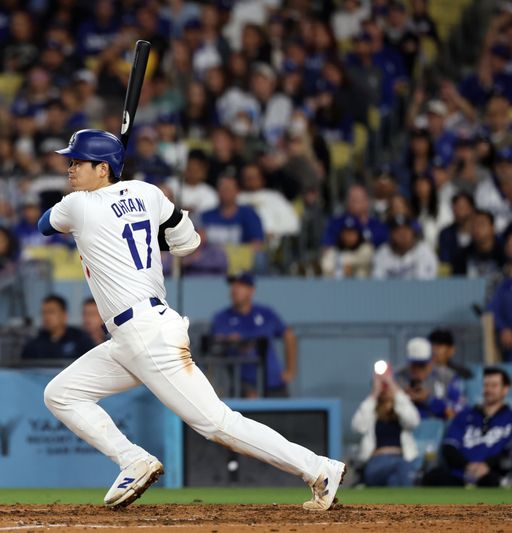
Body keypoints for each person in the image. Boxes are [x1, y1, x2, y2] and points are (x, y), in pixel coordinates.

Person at [38, 129, 345, 510]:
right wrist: (137, 221)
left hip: (145, 334)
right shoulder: (149, 193)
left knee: (217, 423)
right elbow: (189, 243)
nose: (68, 168)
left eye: (76, 162)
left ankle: (316, 468)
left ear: (103, 168)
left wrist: (109, 215)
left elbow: (44, 224)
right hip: (134, 335)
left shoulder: (78, 204)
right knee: (61, 394)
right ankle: (133, 459)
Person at [209, 272, 297, 397]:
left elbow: (289, 335)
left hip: (274, 384)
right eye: (233, 285)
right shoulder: (221, 318)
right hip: (241, 386)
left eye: (240, 285)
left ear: (251, 290)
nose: (235, 289)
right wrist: (230, 342)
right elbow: (215, 346)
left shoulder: (266, 313)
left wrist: (290, 371)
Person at [422, 367, 512, 487]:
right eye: (486, 385)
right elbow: (449, 446)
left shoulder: (509, 418)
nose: (488, 390)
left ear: (505, 390)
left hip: (493, 475)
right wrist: (467, 466)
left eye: (494, 386)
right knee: (433, 477)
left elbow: (508, 453)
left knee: (491, 481)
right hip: (461, 474)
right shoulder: (465, 416)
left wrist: (487, 465)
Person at [351, 361, 420, 486]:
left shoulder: (400, 407)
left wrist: (394, 387)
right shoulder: (371, 409)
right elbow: (358, 427)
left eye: (386, 385)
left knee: (394, 480)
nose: (385, 388)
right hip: (376, 461)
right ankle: (414, 503)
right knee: (404, 467)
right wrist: (374, 394)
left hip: (401, 457)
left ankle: (398, 506)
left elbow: (413, 421)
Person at [395, 337, 464, 420]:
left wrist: (429, 400)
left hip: (439, 429)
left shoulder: (447, 377)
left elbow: (458, 411)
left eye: (421, 365)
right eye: (414, 365)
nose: (417, 370)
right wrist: (401, 398)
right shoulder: (398, 377)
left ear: (431, 362)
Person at [21, 294, 95, 360]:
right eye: (43, 312)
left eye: (51, 312)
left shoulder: (81, 340)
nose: (46, 317)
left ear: (64, 315)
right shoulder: (33, 346)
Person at [372, 215, 437, 280]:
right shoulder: (382, 253)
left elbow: (426, 283)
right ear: (391, 235)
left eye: (406, 230)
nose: (402, 235)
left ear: (412, 232)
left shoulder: (424, 251)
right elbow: (378, 282)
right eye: (398, 231)